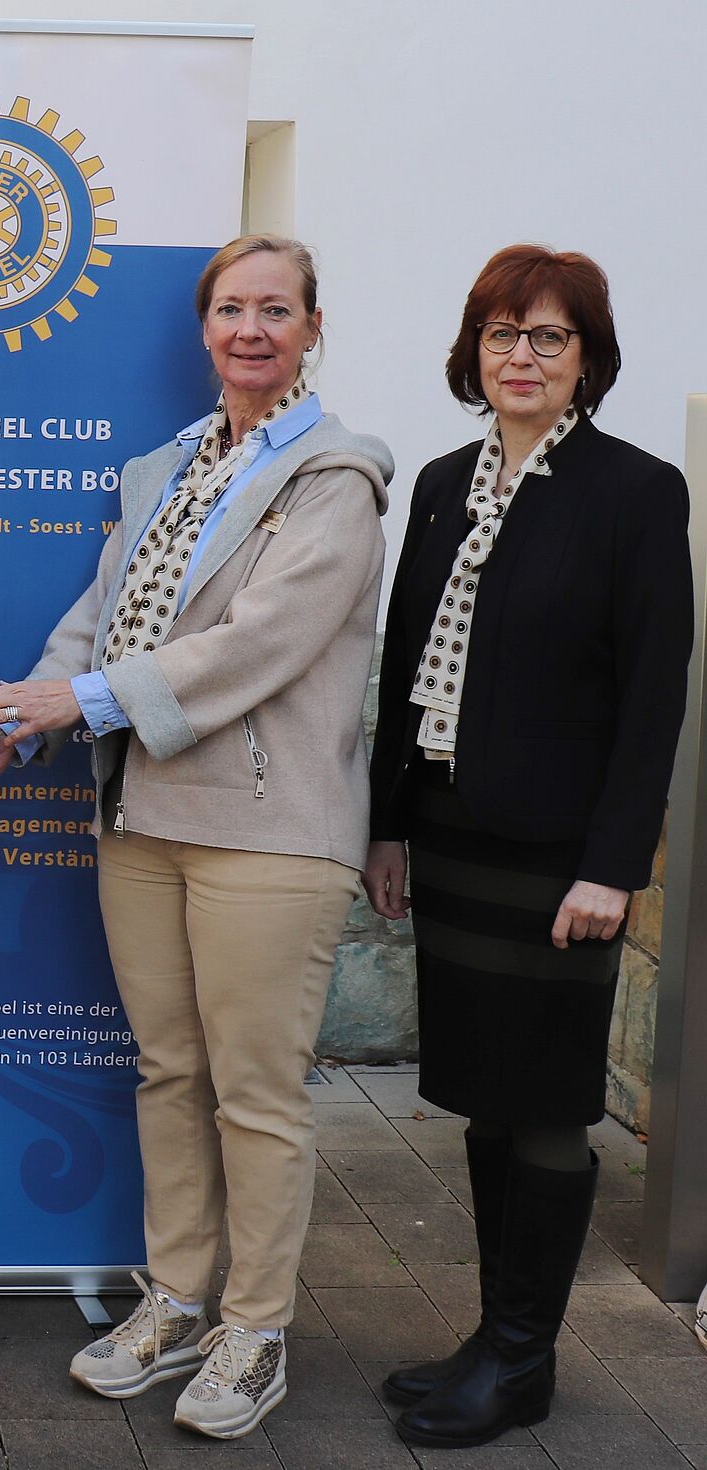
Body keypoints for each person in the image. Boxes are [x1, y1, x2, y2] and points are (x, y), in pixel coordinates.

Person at [0, 234, 391, 1439]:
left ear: (310, 329)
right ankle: (178, 1300)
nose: (250, 330)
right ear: (203, 327)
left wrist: (75, 701)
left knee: (255, 1093)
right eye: (230, 308)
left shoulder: (334, 481)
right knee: (168, 1073)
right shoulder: (166, 468)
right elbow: (99, 618)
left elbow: (257, 642)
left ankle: (256, 1330)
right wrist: (19, 728)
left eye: (275, 310)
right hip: (140, 815)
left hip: (269, 831)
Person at [363, 245, 692, 1449]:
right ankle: (495, 1341)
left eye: (548, 336)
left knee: (545, 1101)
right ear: (472, 351)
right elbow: (403, 667)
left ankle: (520, 1357)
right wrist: (386, 822)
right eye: (501, 334)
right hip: (452, 835)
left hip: (558, 858)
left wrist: (612, 863)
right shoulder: (441, 483)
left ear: (585, 358)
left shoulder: (634, 491)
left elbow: (652, 695)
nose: (521, 355)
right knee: (482, 1096)